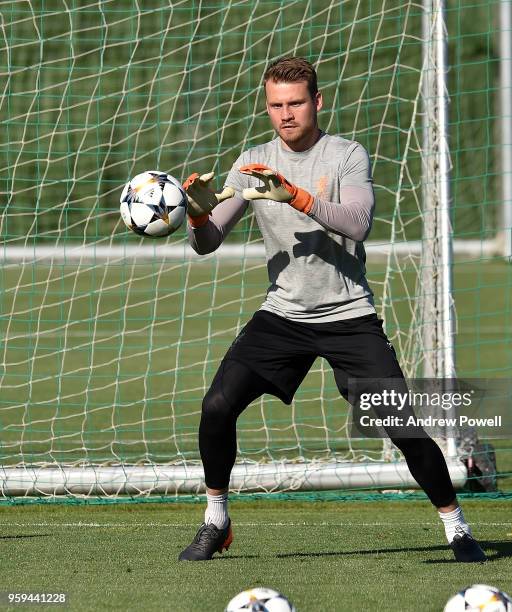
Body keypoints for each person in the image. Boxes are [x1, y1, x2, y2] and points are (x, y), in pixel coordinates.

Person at [178, 56, 486, 563]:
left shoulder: (346, 155)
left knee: (404, 427)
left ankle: (456, 525)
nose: (285, 114)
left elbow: (358, 223)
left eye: (295, 102)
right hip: (283, 316)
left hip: (349, 318)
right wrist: (196, 212)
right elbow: (208, 242)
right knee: (217, 406)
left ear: (317, 102)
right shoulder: (251, 161)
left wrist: (295, 195)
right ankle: (216, 519)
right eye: (275, 105)